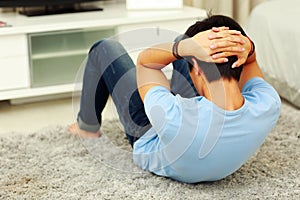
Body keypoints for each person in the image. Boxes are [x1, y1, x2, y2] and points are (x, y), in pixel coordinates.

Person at [68, 15, 281, 183]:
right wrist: (247, 46)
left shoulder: (172, 116)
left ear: (196, 68)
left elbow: (146, 63)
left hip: (148, 132)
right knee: (183, 43)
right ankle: (194, 52)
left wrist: (181, 49)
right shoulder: (268, 104)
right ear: (242, 56)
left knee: (104, 48)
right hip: (196, 123)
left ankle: (87, 127)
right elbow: (250, 61)